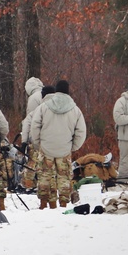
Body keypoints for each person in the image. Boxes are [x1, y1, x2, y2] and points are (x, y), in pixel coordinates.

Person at [31, 80, 86, 209]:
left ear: (56, 91)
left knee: (44, 177)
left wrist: (39, 143)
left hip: (46, 149)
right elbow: (81, 131)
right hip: (64, 149)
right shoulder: (75, 110)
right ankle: (63, 204)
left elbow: (35, 126)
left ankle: (44, 204)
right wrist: (73, 147)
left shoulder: (43, 107)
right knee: (64, 178)